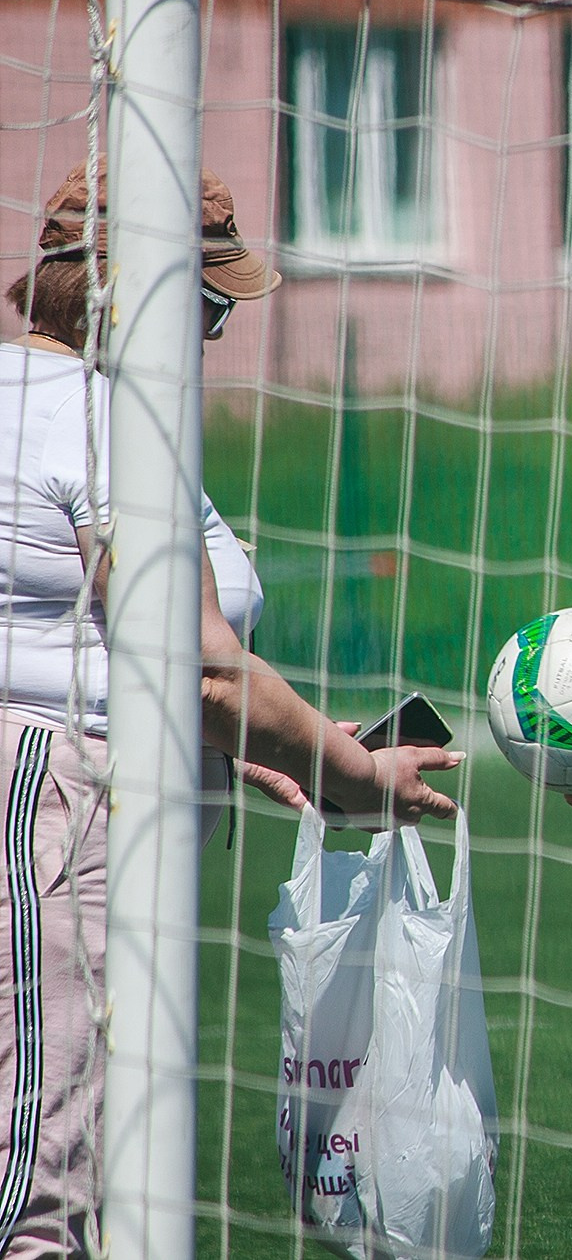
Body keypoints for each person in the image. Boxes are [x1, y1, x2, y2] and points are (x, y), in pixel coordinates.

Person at [0, 161, 460, 1256]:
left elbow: (132, 659)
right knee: (39, 1184)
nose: (213, 338)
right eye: (206, 308)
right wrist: (361, 779)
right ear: (134, 296)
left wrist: (263, 749)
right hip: (55, 807)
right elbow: (194, 669)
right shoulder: (100, 416)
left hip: (78, 787)